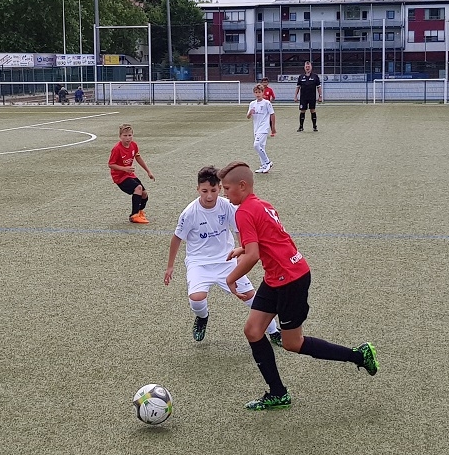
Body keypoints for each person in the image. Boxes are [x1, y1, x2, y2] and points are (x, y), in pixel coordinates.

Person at [217, 161, 378, 410]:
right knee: (253, 330)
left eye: (227, 188)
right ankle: (278, 393)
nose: (224, 194)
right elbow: (270, 239)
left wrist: (230, 278)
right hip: (278, 276)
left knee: (292, 343)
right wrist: (243, 248)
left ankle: (359, 355)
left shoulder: (244, 212)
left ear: (242, 186)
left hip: (290, 280)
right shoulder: (261, 204)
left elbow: (253, 256)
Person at [164, 166, 283, 345]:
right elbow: (177, 238)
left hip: (227, 260)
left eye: (213, 190)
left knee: (251, 297)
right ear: (198, 189)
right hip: (199, 263)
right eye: (204, 191)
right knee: (196, 299)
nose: (209, 196)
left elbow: (239, 230)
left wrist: (243, 252)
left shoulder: (227, 206)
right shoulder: (189, 212)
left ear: (219, 188)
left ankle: (274, 332)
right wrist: (170, 266)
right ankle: (202, 317)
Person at [108, 124, 155, 223]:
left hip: (129, 175)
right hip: (119, 177)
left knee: (144, 194)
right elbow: (111, 164)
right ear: (120, 136)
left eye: (130, 135)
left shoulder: (134, 145)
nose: (128, 138)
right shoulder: (117, 149)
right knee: (138, 188)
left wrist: (148, 171)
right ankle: (134, 215)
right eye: (125, 136)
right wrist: (124, 168)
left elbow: (138, 157)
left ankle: (140, 212)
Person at [247, 84, 276, 173]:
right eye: (256, 92)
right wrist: (250, 113)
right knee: (261, 147)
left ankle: (267, 162)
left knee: (256, 145)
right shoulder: (252, 104)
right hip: (256, 128)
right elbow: (248, 116)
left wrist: (273, 127)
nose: (258, 94)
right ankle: (264, 166)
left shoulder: (267, 103)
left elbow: (272, 114)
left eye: (259, 92)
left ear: (263, 92)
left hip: (264, 128)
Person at [293, 61, 322, 132]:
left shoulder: (315, 76)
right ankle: (301, 127)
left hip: (312, 97)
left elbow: (318, 87)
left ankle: (314, 126)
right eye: (306, 67)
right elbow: (298, 87)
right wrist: (295, 96)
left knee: (312, 110)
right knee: (302, 111)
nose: (307, 68)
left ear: (311, 67)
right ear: (304, 68)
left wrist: (320, 96)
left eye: (309, 66)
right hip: (303, 98)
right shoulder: (301, 77)